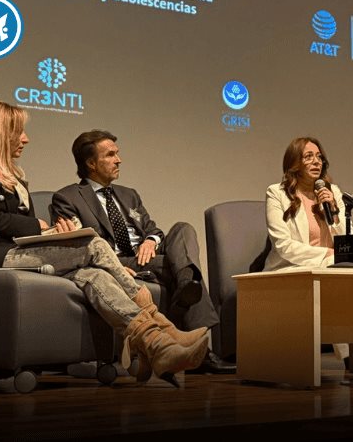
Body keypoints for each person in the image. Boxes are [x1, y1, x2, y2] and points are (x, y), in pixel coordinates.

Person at [0, 101, 208, 384]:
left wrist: (51, 234)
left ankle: (156, 343)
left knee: (94, 275)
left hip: (12, 253)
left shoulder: (15, 177)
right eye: (18, 132)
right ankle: (161, 323)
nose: (26, 139)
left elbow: (20, 232)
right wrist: (41, 227)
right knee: (95, 245)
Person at [51, 130, 233, 374]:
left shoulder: (129, 194)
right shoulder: (68, 197)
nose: (119, 159)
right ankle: (202, 345)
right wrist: (112, 266)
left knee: (182, 229)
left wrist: (150, 240)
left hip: (146, 257)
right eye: (111, 154)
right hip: (119, 262)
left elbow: (153, 228)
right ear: (91, 163)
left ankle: (186, 281)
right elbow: (78, 245)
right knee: (182, 267)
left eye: (118, 153)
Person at [264, 136, 353, 362]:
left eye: (319, 157)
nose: (317, 162)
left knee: (348, 271)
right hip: (290, 268)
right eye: (309, 157)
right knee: (338, 268)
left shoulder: (333, 192)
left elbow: (350, 241)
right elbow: (283, 246)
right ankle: (349, 356)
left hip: (329, 268)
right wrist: (327, 255)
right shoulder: (277, 193)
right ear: (295, 163)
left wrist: (332, 210)